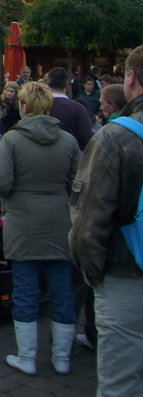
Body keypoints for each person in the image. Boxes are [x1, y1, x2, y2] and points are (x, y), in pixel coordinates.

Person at [0, 81, 81, 376]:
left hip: (22, 222)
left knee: (26, 290)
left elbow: (1, 184)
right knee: (61, 290)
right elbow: (77, 184)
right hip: (59, 220)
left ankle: (27, 356)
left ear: (24, 105)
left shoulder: (12, 140)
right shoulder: (67, 141)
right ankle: (62, 358)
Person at [70, 45, 143, 397]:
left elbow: (88, 223)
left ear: (130, 79)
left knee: (121, 384)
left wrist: (95, 278)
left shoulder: (116, 137)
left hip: (126, 274)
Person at [46, 67, 93, 150]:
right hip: (73, 155)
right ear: (66, 86)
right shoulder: (78, 108)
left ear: (48, 84)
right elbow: (87, 136)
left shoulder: (39, 107)